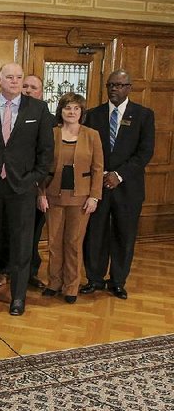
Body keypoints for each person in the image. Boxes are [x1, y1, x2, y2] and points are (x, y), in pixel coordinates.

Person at [0, 63, 54, 316]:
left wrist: (33, 179)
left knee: (21, 244)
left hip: (21, 187)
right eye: (9, 77)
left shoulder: (38, 108)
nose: (14, 81)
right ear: (0, 79)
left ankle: (18, 298)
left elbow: (46, 151)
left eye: (19, 77)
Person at [82, 70, 155, 299]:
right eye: (111, 85)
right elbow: (87, 150)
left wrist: (118, 175)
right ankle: (94, 278)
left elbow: (145, 152)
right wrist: (102, 174)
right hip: (98, 185)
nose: (114, 89)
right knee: (95, 233)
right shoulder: (93, 115)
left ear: (129, 88)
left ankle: (118, 281)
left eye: (120, 85)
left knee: (124, 234)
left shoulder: (143, 115)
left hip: (128, 187)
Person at [37, 93, 103, 304]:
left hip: (81, 198)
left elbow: (98, 168)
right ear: (61, 111)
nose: (71, 112)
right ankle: (54, 282)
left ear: (81, 112)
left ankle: (71, 286)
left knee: (73, 243)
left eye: (76, 108)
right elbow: (40, 166)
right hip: (53, 196)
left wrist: (94, 196)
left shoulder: (92, 135)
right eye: (67, 108)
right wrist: (41, 194)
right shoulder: (51, 133)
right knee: (54, 243)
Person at [0, 74, 49, 289]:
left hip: (35, 187)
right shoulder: (10, 111)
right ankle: (4, 269)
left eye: (32, 87)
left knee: (31, 235)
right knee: (6, 231)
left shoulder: (45, 116)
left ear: (41, 92)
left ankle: (30, 273)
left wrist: (39, 186)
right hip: (9, 184)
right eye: (24, 86)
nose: (27, 90)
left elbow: (47, 156)